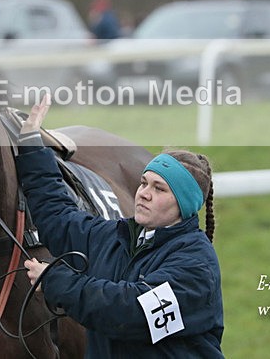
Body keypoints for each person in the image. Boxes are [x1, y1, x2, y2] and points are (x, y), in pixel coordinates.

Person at [17, 96, 224, 358]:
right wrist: (31, 144)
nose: (144, 194)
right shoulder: (113, 237)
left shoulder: (196, 265)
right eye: (144, 183)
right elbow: (56, 215)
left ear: (183, 204)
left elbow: (129, 312)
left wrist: (55, 281)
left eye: (158, 188)